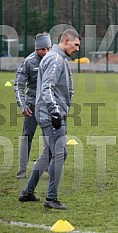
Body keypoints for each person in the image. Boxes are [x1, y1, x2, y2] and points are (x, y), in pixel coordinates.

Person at [18, 29, 81, 210]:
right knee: (60, 154)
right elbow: (47, 88)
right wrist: (54, 111)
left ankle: (28, 192)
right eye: (75, 44)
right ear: (66, 40)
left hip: (52, 113)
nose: (77, 48)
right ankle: (51, 198)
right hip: (51, 115)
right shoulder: (55, 59)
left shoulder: (56, 57)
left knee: (49, 153)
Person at [14, 33, 52, 179]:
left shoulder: (54, 60)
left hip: (49, 106)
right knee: (26, 136)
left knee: (49, 137)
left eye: (48, 48)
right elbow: (19, 85)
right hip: (32, 106)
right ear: (37, 49)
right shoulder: (28, 62)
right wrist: (22, 105)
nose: (46, 52)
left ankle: (47, 165)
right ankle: (22, 169)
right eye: (43, 49)